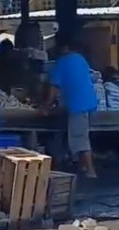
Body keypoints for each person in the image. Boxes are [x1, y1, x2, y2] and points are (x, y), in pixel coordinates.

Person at [42, 32, 98, 178]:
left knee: (80, 138)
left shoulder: (62, 62)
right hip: (90, 103)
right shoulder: (81, 59)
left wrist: (46, 107)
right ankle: (83, 167)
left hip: (78, 105)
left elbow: (54, 88)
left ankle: (91, 171)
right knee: (79, 134)